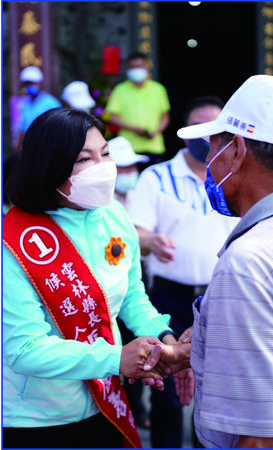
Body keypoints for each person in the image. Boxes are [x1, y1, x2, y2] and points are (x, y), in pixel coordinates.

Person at [2, 107, 175, 448]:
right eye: (85, 159)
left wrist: (162, 337)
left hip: (102, 404)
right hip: (33, 419)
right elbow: (22, 349)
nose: (103, 168)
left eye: (106, 153)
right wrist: (115, 359)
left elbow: (131, 295)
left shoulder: (113, 214)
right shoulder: (14, 241)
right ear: (50, 166)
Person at [142, 74, 273, 448]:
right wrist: (198, 348)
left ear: (238, 150)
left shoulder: (246, 261)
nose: (209, 161)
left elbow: (262, 439)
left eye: (213, 148)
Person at [128, 95, 238, 448]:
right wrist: (150, 241)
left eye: (215, 129)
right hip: (168, 297)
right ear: (185, 133)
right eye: (198, 129)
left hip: (220, 295)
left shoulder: (237, 176)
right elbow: (133, 231)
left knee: (215, 388)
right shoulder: (156, 177)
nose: (206, 139)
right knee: (166, 388)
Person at [105, 52, 170, 168]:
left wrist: (155, 132)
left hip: (154, 146)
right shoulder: (120, 90)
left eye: (139, 66)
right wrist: (134, 129)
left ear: (147, 67)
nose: (136, 70)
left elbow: (165, 116)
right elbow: (112, 116)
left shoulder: (158, 89)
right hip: (127, 147)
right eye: (132, 67)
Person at [14, 66, 61, 152]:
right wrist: (15, 151)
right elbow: (22, 130)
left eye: (32, 83)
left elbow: (60, 127)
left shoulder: (51, 102)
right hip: (31, 150)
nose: (29, 86)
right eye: (27, 84)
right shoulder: (25, 104)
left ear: (40, 84)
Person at [108, 136, 149, 209]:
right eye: (123, 167)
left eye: (132, 166)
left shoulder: (143, 197)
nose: (129, 172)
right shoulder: (98, 203)